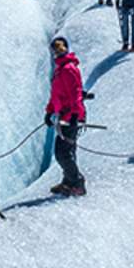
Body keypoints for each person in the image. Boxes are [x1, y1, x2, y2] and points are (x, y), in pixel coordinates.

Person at [45, 37, 87, 195]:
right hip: (65, 116)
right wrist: (49, 111)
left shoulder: (68, 69)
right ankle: (68, 181)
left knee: (62, 153)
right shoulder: (61, 68)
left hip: (70, 116)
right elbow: (56, 94)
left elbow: (76, 93)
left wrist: (76, 114)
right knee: (66, 151)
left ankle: (77, 182)